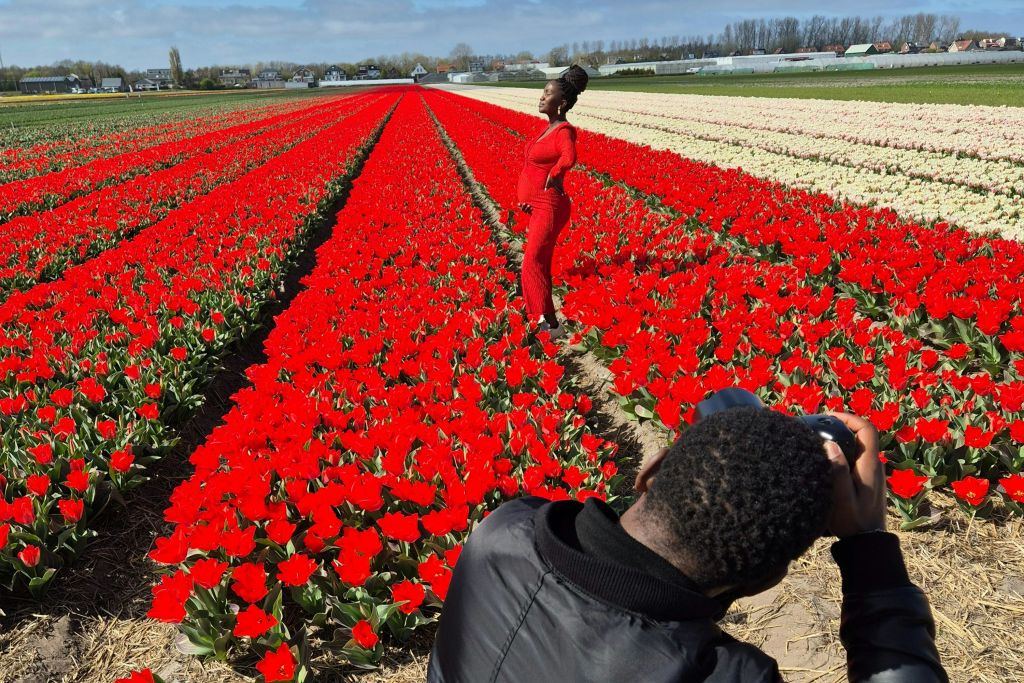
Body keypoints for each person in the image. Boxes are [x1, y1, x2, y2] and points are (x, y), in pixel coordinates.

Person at [427, 408, 947, 682]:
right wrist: (871, 552)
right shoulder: (720, 676)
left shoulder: (504, 532)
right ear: (766, 582)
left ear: (650, 472)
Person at [516, 65, 589, 339]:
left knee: (532, 260)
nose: (542, 97)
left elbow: (568, 157)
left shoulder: (563, 131)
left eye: (548, 93)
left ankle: (546, 322)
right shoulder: (547, 130)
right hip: (537, 206)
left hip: (550, 206)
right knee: (539, 262)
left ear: (563, 103)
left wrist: (556, 173)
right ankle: (548, 321)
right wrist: (527, 200)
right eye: (542, 92)